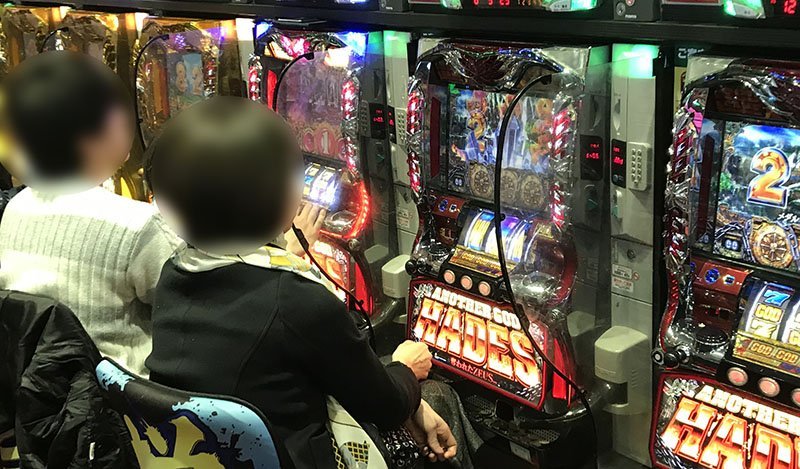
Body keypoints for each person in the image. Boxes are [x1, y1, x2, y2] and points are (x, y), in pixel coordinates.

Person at [144, 96, 457, 468]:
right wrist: (406, 367)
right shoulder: (296, 300)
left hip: (208, 456)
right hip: (293, 458)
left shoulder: (176, 271)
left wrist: (286, 255)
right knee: (438, 397)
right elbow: (385, 405)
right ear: (285, 200)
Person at [0, 51, 179, 376]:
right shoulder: (136, 225)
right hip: (121, 397)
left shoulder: (17, 206)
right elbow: (194, 300)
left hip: (40, 390)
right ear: (90, 140)